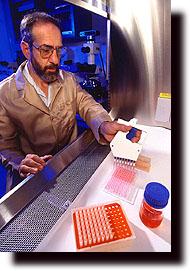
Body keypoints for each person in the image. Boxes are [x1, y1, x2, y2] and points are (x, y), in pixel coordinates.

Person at [0, 12, 140, 191]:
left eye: (58, 50)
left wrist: (103, 124)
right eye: (46, 50)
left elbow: (87, 105)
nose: (55, 60)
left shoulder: (68, 80)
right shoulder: (5, 93)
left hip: (68, 167)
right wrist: (21, 163)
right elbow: (5, 146)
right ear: (26, 49)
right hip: (32, 182)